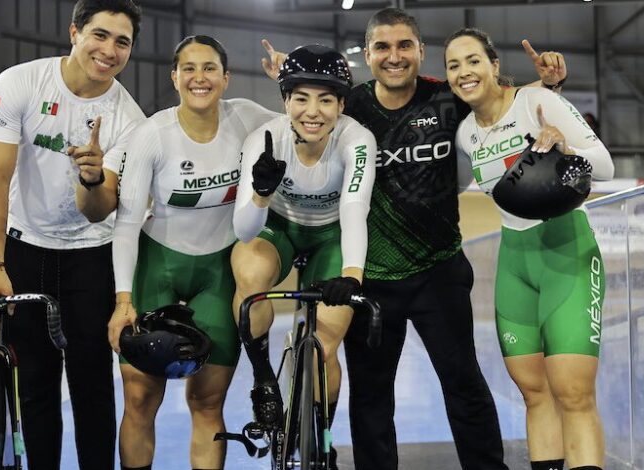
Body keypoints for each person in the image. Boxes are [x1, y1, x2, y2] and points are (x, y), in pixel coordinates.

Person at [259, 7, 568, 470]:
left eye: (405, 45)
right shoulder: (351, 105)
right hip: (371, 277)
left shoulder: (448, 98)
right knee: (372, 399)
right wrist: (296, 71)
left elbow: (502, 105)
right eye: (382, 47)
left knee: (463, 383)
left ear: (421, 51)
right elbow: (307, 112)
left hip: (438, 270)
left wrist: (549, 87)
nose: (394, 56)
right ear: (367, 55)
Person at [84, 35, 277, 470]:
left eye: (209, 68)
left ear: (226, 78)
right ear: (175, 78)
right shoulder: (152, 134)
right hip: (158, 267)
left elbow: (305, 118)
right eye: (188, 69)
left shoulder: (247, 118)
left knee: (207, 403)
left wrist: (287, 77)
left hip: (219, 269)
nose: (199, 78)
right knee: (139, 399)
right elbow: (127, 224)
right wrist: (123, 302)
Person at [0, 1, 144, 469]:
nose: (109, 50)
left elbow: (98, 212)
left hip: (91, 257)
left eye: (122, 41)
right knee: (34, 385)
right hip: (25, 250)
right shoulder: (20, 82)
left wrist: (91, 178)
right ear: (74, 32)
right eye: (100, 35)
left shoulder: (129, 119)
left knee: (92, 388)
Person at [447, 28, 613, 470]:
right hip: (514, 260)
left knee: (573, 392)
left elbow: (605, 166)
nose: (464, 72)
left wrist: (566, 145)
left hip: (565, 248)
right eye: (453, 65)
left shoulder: (538, 102)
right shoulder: (466, 133)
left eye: (473, 61)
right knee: (534, 393)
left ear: (494, 65)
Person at [232, 45, 376, 465]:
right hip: (279, 228)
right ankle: (263, 380)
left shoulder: (356, 139)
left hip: (332, 234)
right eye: (301, 99)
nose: (313, 112)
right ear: (285, 101)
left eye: (326, 100)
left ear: (341, 105)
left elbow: (354, 211)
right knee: (250, 272)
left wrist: (351, 276)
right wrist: (260, 194)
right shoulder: (264, 139)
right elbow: (243, 230)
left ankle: (322, 435)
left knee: (324, 347)